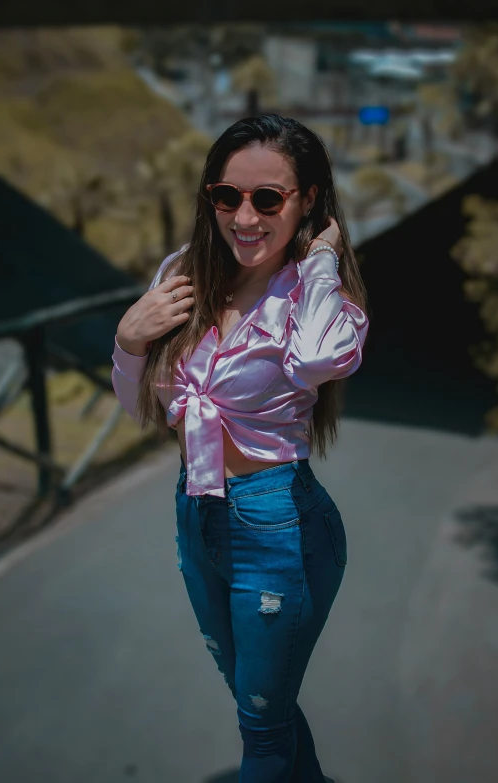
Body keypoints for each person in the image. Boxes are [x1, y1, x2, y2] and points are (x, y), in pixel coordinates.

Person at [112, 114, 369, 783]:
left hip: (275, 521)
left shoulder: (315, 300)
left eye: (268, 198)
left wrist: (319, 259)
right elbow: (141, 401)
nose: (244, 216)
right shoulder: (186, 274)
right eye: (227, 197)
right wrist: (129, 340)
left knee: (260, 730)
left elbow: (317, 361)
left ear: (308, 198)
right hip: (195, 510)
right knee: (265, 710)